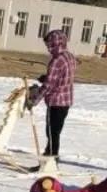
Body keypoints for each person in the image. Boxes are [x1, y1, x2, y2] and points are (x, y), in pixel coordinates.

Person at [28, 28, 76, 176]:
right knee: (55, 132)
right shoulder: (69, 56)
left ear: (55, 43)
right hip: (66, 101)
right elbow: (60, 78)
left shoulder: (56, 60)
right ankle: (49, 161)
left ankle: (51, 164)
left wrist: (34, 99)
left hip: (56, 101)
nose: (48, 48)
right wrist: (46, 77)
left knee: (52, 133)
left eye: (49, 44)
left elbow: (49, 86)